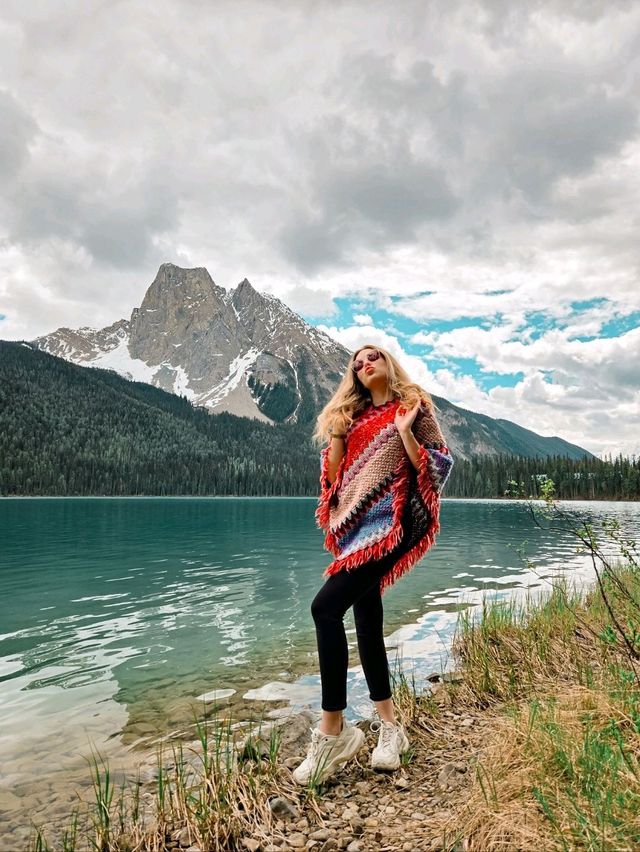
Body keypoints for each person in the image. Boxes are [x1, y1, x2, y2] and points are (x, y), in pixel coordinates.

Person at [292, 344, 453, 786]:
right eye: (357, 364)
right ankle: (389, 729)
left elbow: (439, 469)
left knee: (325, 609)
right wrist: (339, 435)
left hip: (397, 523)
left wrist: (403, 431)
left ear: (388, 363)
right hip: (358, 531)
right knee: (365, 616)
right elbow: (336, 481)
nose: (364, 365)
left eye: (373, 358)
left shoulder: (413, 407)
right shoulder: (355, 418)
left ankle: (333, 732)